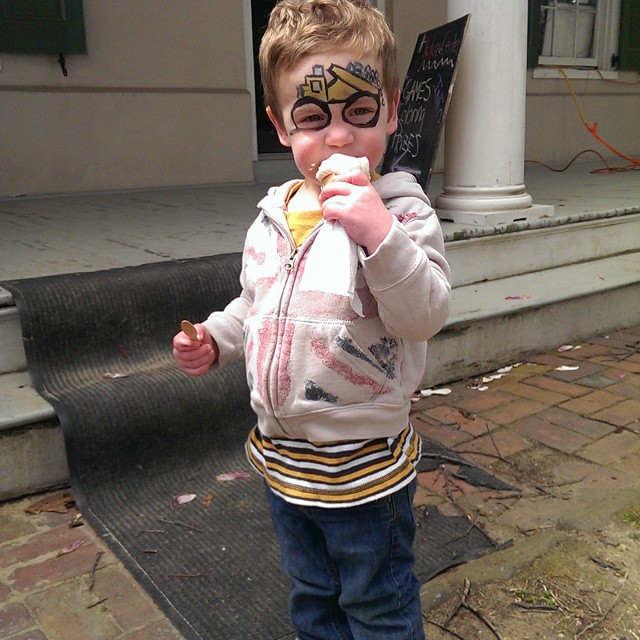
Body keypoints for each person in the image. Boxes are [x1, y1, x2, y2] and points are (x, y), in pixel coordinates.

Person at [173, 1, 451, 638]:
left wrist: (380, 235)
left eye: (360, 113)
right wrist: (217, 338)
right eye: (313, 119)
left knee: (378, 606)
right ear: (279, 125)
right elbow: (258, 303)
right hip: (284, 463)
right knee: (313, 600)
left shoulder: (403, 214)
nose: (339, 137)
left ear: (392, 110)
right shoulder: (272, 217)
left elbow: (425, 315)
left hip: (366, 469)